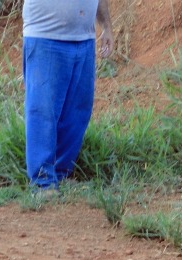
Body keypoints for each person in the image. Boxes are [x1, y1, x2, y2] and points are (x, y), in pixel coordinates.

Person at [22, 0, 114, 194]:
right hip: (44, 35)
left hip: (84, 38)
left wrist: (106, 26)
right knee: (43, 111)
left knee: (77, 111)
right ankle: (42, 182)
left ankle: (60, 174)